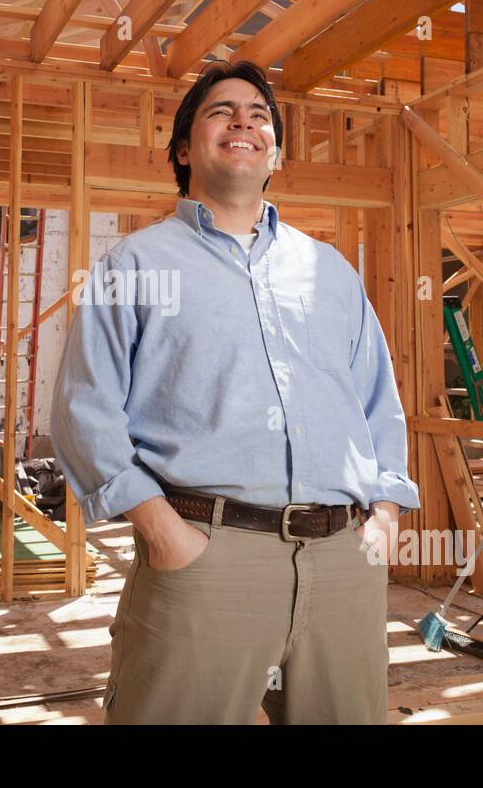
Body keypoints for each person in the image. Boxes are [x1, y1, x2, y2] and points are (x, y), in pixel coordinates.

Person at [51, 60, 419, 724]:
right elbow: (84, 407)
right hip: (206, 559)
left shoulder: (328, 270)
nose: (245, 120)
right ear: (186, 149)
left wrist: (386, 514)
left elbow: (376, 401)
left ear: (273, 150)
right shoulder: (134, 265)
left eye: (260, 113)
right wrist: (163, 532)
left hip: (342, 562)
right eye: (221, 110)